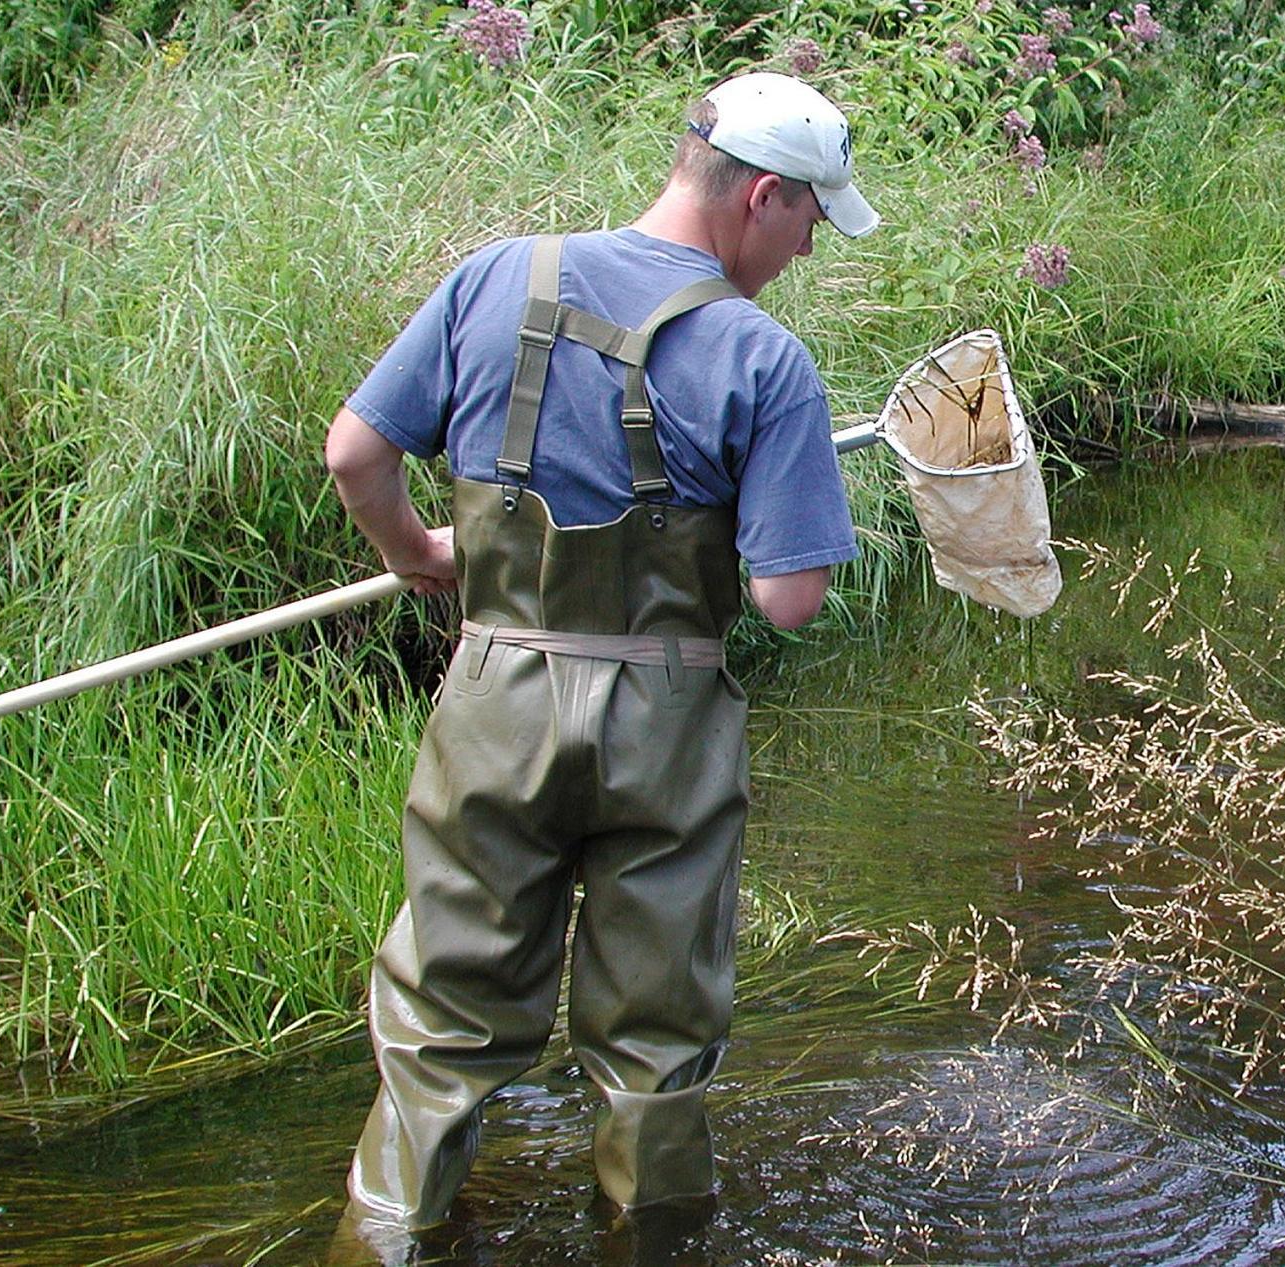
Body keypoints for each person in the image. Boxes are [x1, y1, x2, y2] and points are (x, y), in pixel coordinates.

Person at [322, 71, 876, 1254]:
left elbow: (355, 451)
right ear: (762, 197)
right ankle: (650, 1236)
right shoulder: (765, 359)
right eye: (812, 219)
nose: (810, 247)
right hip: (663, 730)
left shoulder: (494, 277)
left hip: (498, 697)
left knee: (439, 1025)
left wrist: (420, 550)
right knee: (654, 1045)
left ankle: (380, 1234)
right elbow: (787, 602)